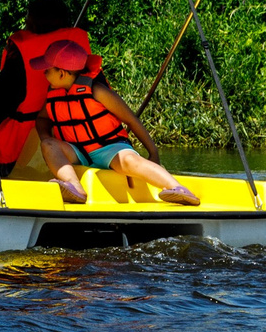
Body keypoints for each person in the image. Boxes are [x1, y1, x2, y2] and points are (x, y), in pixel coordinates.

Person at [36, 36, 199, 205]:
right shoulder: (54, 95)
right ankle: (74, 186)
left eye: (47, 70)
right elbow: (41, 119)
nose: (44, 73)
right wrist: (47, 138)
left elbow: (131, 120)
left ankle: (178, 188)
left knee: (129, 161)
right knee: (48, 145)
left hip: (109, 148)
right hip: (77, 151)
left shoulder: (97, 91)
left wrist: (153, 153)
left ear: (61, 73)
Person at [0, 0, 91, 185]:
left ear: (33, 28)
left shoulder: (22, 65)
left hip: (16, 160)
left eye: (26, 23)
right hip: (78, 150)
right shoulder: (78, 56)